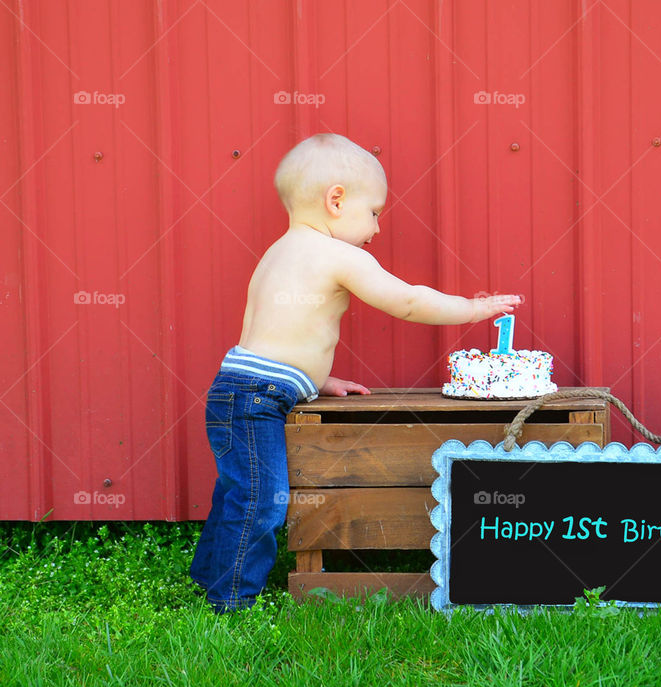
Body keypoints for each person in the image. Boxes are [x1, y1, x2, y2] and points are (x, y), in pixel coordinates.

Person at [189, 133, 522, 613]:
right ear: (336, 201)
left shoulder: (278, 253)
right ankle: (231, 602)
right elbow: (406, 301)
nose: (378, 228)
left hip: (240, 390)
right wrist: (475, 309)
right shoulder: (339, 256)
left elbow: (271, 335)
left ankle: (211, 578)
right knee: (261, 502)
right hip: (256, 396)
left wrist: (315, 380)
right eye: (374, 213)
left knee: (238, 494)